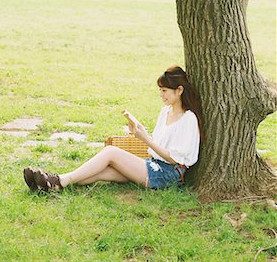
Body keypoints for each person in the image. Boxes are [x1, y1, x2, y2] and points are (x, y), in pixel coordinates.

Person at [23, 65, 201, 192]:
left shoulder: (189, 119)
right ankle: (49, 184)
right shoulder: (166, 111)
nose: (161, 95)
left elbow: (175, 159)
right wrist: (139, 132)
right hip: (153, 165)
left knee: (110, 152)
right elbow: (158, 144)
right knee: (103, 172)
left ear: (179, 90)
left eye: (164, 91)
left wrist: (145, 139)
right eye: (160, 90)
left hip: (169, 175)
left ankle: (57, 181)